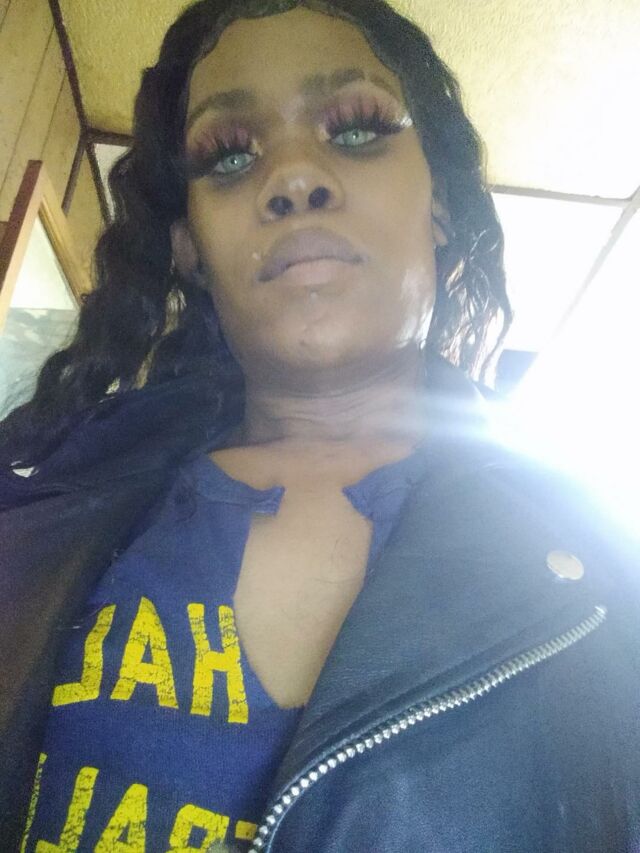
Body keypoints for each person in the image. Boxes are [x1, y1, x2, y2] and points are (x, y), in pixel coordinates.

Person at [1, 0, 638, 850]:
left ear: (441, 205)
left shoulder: (604, 572)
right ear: (190, 247)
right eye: (230, 154)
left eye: (357, 129)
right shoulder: (37, 492)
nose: (294, 177)